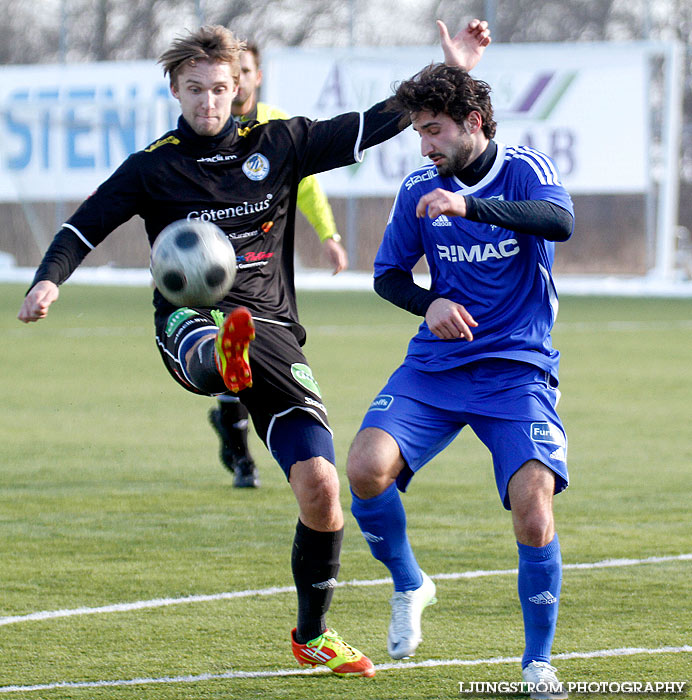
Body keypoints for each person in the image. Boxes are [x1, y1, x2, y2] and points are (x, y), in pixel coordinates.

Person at [17, 20, 490, 678]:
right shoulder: (154, 166)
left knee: (323, 488)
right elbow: (84, 225)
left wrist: (455, 70)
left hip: (269, 330)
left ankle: (312, 635)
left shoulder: (280, 142)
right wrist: (48, 279)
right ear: (176, 92)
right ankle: (221, 362)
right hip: (189, 315)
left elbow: (372, 123)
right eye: (194, 90)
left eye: (218, 88)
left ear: (239, 86)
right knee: (206, 339)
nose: (208, 101)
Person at [346, 63, 573, 697]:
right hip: (437, 367)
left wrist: (468, 204)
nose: (424, 145)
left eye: (435, 130)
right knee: (364, 466)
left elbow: (560, 223)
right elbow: (388, 276)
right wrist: (431, 306)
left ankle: (537, 664)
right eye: (419, 132)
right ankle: (410, 584)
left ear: (473, 123)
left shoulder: (527, 168)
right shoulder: (418, 187)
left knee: (533, 511)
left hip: (518, 368)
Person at [209, 41, 347, 489]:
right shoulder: (209, 130)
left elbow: (306, 188)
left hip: (265, 265)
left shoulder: (276, 127)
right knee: (234, 349)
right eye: (234, 73)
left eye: (246, 71)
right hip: (214, 263)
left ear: (256, 76)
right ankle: (243, 454)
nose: (240, 81)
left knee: (251, 351)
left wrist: (329, 235)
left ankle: (235, 436)